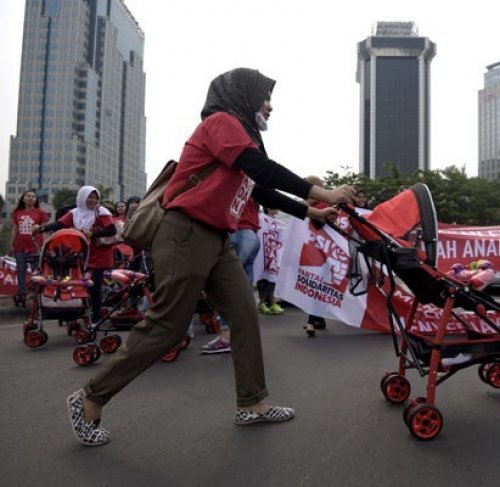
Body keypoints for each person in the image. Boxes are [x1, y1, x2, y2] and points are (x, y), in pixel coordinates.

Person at [63, 67, 356, 446]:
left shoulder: (243, 138)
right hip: (186, 231)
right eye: (265, 98)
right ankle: (90, 397)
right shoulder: (222, 122)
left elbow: (260, 189)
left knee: (244, 314)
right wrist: (325, 192)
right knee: (167, 325)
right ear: (245, 96)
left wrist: (311, 212)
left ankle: (251, 403)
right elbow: (261, 171)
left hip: (216, 238)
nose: (270, 107)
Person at [35, 186, 117, 326]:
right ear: (82, 198)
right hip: (81, 255)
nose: (93, 200)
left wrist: (93, 234)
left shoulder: (102, 212)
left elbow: (112, 230)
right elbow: (59, 224)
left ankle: (95, 318)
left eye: (95, 197)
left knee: (94, 287)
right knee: (79, 286)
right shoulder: (75, 213)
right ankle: (83, 313)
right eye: (89, 197)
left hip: (100, 255)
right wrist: (41, 228)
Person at [200, 198, 263, 354]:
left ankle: (227, 335)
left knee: (225, 287)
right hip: (252, 234)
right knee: (244, 291)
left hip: (238, 231)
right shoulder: (253, 180)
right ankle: (245, 336)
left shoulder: (236, 175)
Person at [9, 190, 49, 303]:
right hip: (20, 246)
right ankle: (21, 292)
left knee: (36, 270)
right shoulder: (17, 213)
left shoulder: (40, 213)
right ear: (23, 198)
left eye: (33, 196)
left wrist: (45, 246)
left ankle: (37, 292)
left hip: (35, 246)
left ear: (36, 200)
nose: (31, 198)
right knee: (20, 269)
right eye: (28, 196)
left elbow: (44, 230)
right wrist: (11, 245)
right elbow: (15, 229)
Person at [302, 175, 329, 337]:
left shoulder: (322, 205)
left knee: (315, 284)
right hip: (315, 250)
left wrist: (307, 208)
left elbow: (320, 223)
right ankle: (318, 319)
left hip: (323, 251)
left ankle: (312, 321)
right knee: (317, 285)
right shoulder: (314, 205)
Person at [257, 207, 285, 315]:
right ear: (269, 208)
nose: (277, 208)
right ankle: (264, 303)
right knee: (264, 279)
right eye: (275, 206)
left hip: (273, 253)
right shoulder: (261, 218)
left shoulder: (277, 222)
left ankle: (269, 303)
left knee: (272, 278)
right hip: (264, 252)